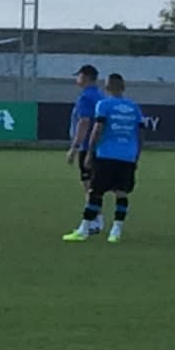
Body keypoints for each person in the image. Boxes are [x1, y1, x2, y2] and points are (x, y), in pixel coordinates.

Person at [63, 73, 143, 244]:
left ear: (106, 88)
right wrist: (136, 155)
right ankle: (116, 231)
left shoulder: (104, 104)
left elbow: (97, 129)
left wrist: (90, 152)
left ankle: (84, 229)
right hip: (128, 156)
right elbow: (140, 133)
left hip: (106, 154)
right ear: (123, 87)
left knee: (95, 192)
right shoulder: (134, 107)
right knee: (121, 193)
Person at [65, 64, 105, 233]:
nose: (77, 79)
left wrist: (74, 148)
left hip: (87, 146)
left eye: (79, 76)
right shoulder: (100, 96)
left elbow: (84, 122)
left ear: (86, 77)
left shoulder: (85, 98)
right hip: (100, 147)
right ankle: (98, 220)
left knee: (88, 185)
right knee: (94, 185)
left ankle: (93, 221)